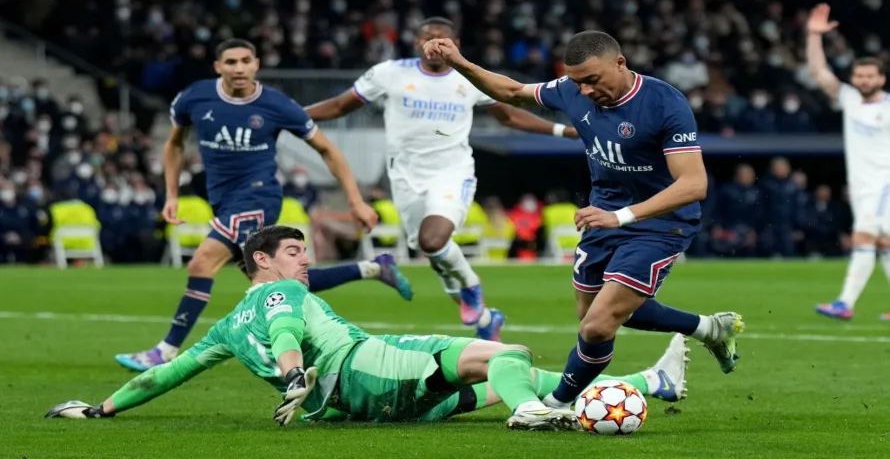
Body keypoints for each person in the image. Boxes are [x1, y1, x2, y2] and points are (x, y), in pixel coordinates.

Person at [46, 225, 689, 432]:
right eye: (297, 252)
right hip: (368, 366)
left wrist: (101, 410)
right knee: (508, 351)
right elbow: (287, 331)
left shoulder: (224, 328)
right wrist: (295, 369)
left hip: (358, 409)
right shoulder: (276, 294)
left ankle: (648, 380)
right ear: (262, 262)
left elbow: (170, 370)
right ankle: (532, 416)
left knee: (498, 376)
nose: (306, 260)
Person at [422, 31, 744, 418]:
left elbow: (693, 184)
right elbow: (511, 92)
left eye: (592, 80)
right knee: (594, 314)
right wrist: (459, 61)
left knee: (596, 327)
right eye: (577, 82)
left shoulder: (664, 102)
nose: (586, 91)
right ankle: (709, 329)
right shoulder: (571, 89)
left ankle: (556, 404)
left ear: (620, 63)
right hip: (603, 218)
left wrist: (621, 216)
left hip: (659, 223)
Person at [114, 39, 413, 373]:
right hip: (224, 201)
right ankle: (372, 267)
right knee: (279, 281)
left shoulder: (276, 105)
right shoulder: (194, 98)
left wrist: (356, 201)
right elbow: (174, 144)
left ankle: (165, 351)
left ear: (256, 64)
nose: (239, 68)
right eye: (231, 62)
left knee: (201, 264)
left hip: (258, 197)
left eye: (245, 61)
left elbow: (328, 150)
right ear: (218, 67)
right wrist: (170, 194)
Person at [305, 17, 580, 341]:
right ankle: (484, 318)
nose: (435, 44)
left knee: (433, 240)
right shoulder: (390, 73)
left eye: (442, 39)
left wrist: (561, 130)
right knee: (431, 250)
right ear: (417, 42)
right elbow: (340, 105)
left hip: (451, 172)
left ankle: (471, 288)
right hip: (405, 177)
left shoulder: (469, 78)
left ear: (456, 45)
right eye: (428, 38)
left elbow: (508, 114)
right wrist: (291, 113)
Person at [806, 4, 890, 321]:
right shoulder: (850, 99)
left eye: (870, 75)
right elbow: (819, 74)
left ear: (881, 78)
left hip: (884, 184)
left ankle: (844, 302)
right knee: (883, 242)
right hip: (862, 185)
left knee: (865, 238)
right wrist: (814, 36)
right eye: (859, 75)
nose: (864, 79)